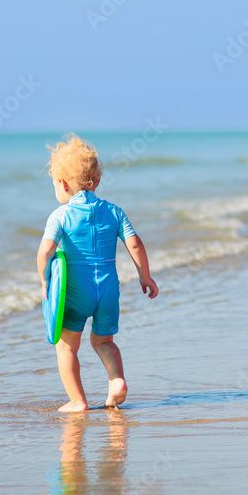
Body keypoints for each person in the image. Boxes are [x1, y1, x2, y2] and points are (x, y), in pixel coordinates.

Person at [38, 134, 158, 412]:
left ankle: (78, 401)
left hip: (75, 293)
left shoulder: (61, 215)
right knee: (104, 341)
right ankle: (116, 382)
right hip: (108, 291)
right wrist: (145, 276)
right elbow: (135, 243)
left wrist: (45, 279)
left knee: (67, 346)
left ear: (62, 184)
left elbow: (45, 251)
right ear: (97, 181)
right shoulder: (114, 211)